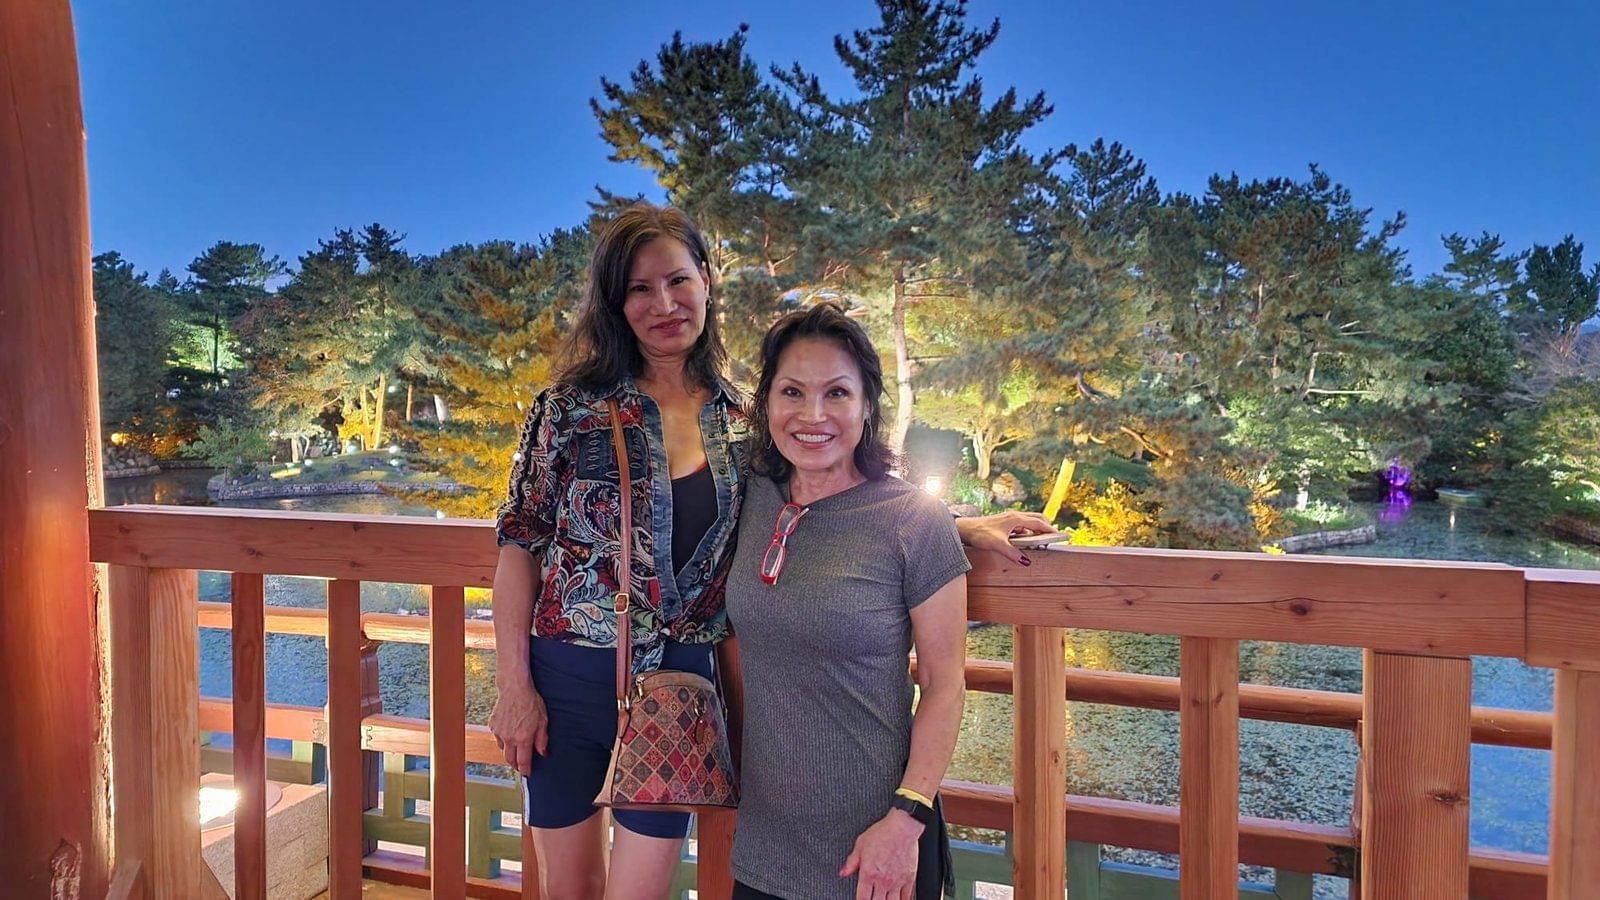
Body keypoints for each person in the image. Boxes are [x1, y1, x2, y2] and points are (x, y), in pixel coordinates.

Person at [489, 203, 1050, 900]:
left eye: (678, 280)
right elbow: (519, 544)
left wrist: (954, 528)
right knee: (566, 893)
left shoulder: (741, 421)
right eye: (639, 288)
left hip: (677, 690)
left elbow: (835, 500)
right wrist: (514, 687)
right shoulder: (568, 410)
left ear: (706, 283)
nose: (663, 303)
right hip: (565, 679)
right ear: (614, 301)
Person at [725, 304, 968, 900]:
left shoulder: (915, 520)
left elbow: (944, 684)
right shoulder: (747, 490)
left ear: (867, 407)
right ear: (767, 404)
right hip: (762, 847)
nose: (813, 415)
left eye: (837, 393)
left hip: (876, 848)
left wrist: (905, 821)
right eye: (792, 392)